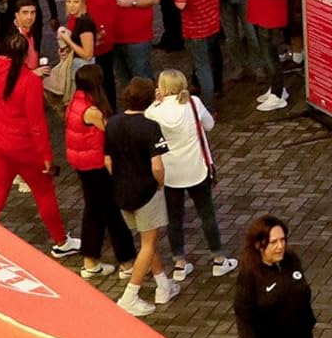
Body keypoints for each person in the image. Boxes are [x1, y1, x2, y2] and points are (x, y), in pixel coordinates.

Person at [0, 33, 78, 257]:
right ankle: (61, 241)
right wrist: (46, 156)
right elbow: (37, 124)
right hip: (25, 149)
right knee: (44, 193)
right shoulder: (29, 81)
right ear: (24, 55)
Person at [147, 68, 237, 282]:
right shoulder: (193, 103)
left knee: (174, 218)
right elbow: (210, 125)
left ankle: (179, 264)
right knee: (207, 214)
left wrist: (155, 103)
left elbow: (147, 118)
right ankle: (218, 259)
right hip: (197, 168)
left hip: (171, 173)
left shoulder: (154, 112)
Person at [104, 76, 175, 316]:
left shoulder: (112, 123)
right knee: (149, 243)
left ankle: (163, 285)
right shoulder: (150, 127)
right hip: (146, 192)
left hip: (121, 192)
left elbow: (108, 160)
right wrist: (160, 184)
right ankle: (130, 296)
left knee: (146, 239)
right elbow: (157, 166)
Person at [65, 63, 135, 280]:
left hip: (82, 165)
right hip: (97, 167)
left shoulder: (74, 102)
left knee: (93, 212)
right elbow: (113, 131)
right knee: (113, 214)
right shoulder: (93, 112)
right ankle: (127, 262)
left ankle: (91, 261)